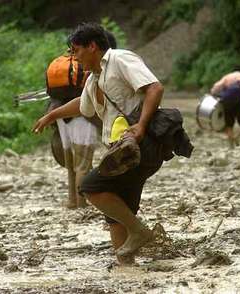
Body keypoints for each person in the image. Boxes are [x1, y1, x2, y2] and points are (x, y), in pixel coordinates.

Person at [33, 23, 193, 265]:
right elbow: (82, 105)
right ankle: (127, 269)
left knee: (90, 187)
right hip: (121, 152)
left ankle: (140, 233)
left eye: (76, 50)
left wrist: (139, 126)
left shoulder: (119, 59)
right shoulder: (93, 80)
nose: (74, 56)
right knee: (116, 216)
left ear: (93, 46)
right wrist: (51, 115)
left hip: (141, 144)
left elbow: (154, 87)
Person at [49, 31, 117, 209]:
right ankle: (81, 204)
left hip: (61, 117)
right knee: (83, 165)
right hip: (81, 119)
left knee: (71, 165)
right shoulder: (95, 66)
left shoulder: (66, 66)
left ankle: (72, 201)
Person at [210, 66, 240, 148]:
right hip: (238, 102)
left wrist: (213, 96)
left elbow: (215, 88)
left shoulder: (227, 77)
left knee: (229, 124)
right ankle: (236, 137)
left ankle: (231, 145)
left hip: (226, 101)